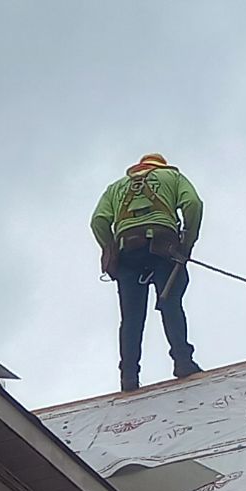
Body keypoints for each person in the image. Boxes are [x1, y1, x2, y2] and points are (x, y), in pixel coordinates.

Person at [91, 154, 204, 391]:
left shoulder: (116, 188)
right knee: (170, 303)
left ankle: (129, 377)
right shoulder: (171, 176)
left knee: (131, 317)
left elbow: (98, 220)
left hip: (128, 253)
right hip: (164, 248)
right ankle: (183, 362)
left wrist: (110, 248)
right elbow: (193, 203)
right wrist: (187, 243)